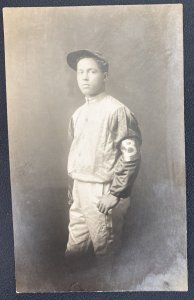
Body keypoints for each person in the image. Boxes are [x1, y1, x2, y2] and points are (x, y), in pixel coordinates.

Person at [65, 50, 142, 261]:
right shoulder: (78, 114)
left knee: (106, 253)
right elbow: (77, 154)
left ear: (105, 76)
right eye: (81, 72)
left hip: (102, 191)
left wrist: (115, 193)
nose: (85, 77)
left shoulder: (117, 111)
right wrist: (73, 187)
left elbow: (130, 156)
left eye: (92, 71)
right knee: (74, 251)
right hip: (80, 190)